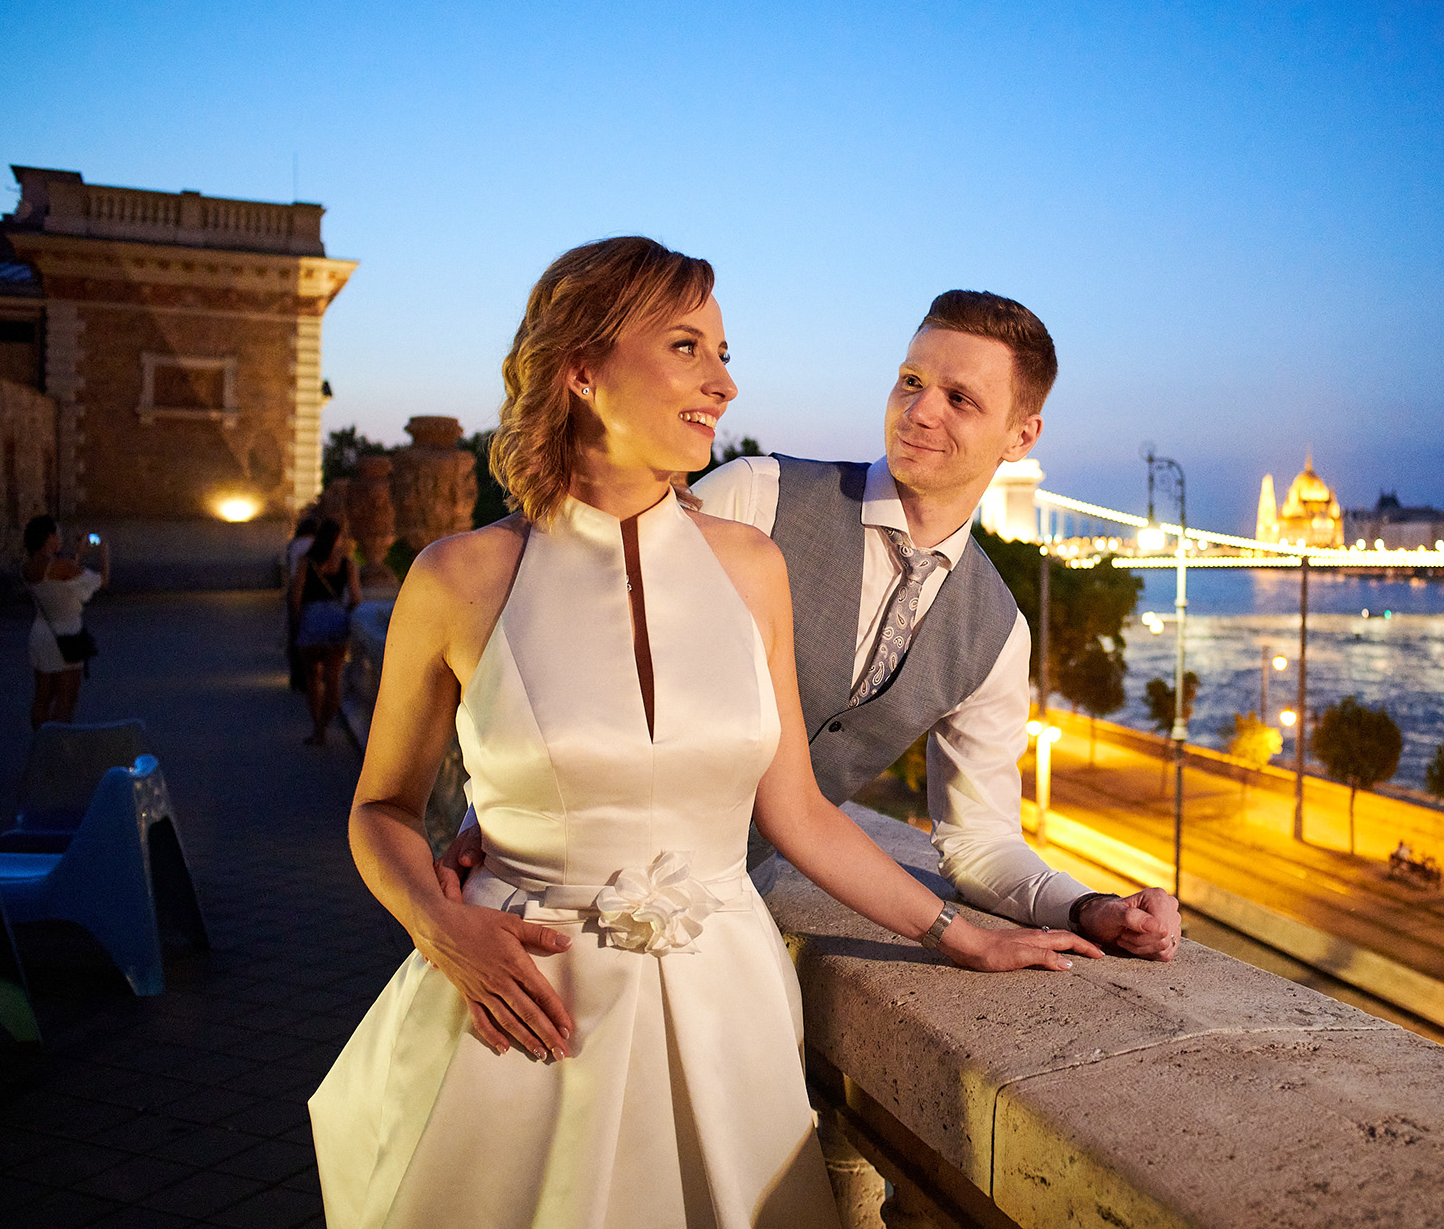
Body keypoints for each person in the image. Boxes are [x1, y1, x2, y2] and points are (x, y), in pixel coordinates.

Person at [309, 237, 1097, 1229]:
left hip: (727, 1005)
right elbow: (381, 806)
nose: (723, 382)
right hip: (520, 998)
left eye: (724, 352)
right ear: (582, 368)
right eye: (688, 348)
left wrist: (965, 933)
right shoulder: (457, 577)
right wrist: (439, 920)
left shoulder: (750, 568)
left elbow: (799, 811)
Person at [442, 290, 1184, 960]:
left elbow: (981, 841)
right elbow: (570, 644)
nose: (920, 410)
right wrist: (493, 820)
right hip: (548, 898)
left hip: (723, 915)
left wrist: (1086, 906)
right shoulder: (757, 497)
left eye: (961, 399)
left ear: (1021, 438)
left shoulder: (997, 633)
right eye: (912, 381)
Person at [21, 514, 109, 731]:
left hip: (41, 634)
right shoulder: (62, 566)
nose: (60, 538)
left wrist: (77, 556)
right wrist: (104, 552)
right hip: (67, 636)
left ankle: (41, 744)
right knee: (66, 699)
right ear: (49, 537)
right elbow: (101, 581)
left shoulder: (29, 567)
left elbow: (61, 585)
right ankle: (58, 749)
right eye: (57, 534)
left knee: (42, 696)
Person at [290, 518, 362, 746]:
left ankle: (317, 730)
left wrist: (296, 626)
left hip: (311, 624)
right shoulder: (347, 565)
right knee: (333, 681)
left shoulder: (306, 563)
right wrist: (344, 616)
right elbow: (356, 599)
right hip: (335, 625)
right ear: (337, 539)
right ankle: (324, 725)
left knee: (312, 679)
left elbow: (295, 599)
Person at [285, 514, 320, 692]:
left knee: (296, 634)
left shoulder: (294, 545)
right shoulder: (317, 544)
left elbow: (290, 571)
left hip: (296, 590)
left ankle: (298, 676)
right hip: (313, 592)